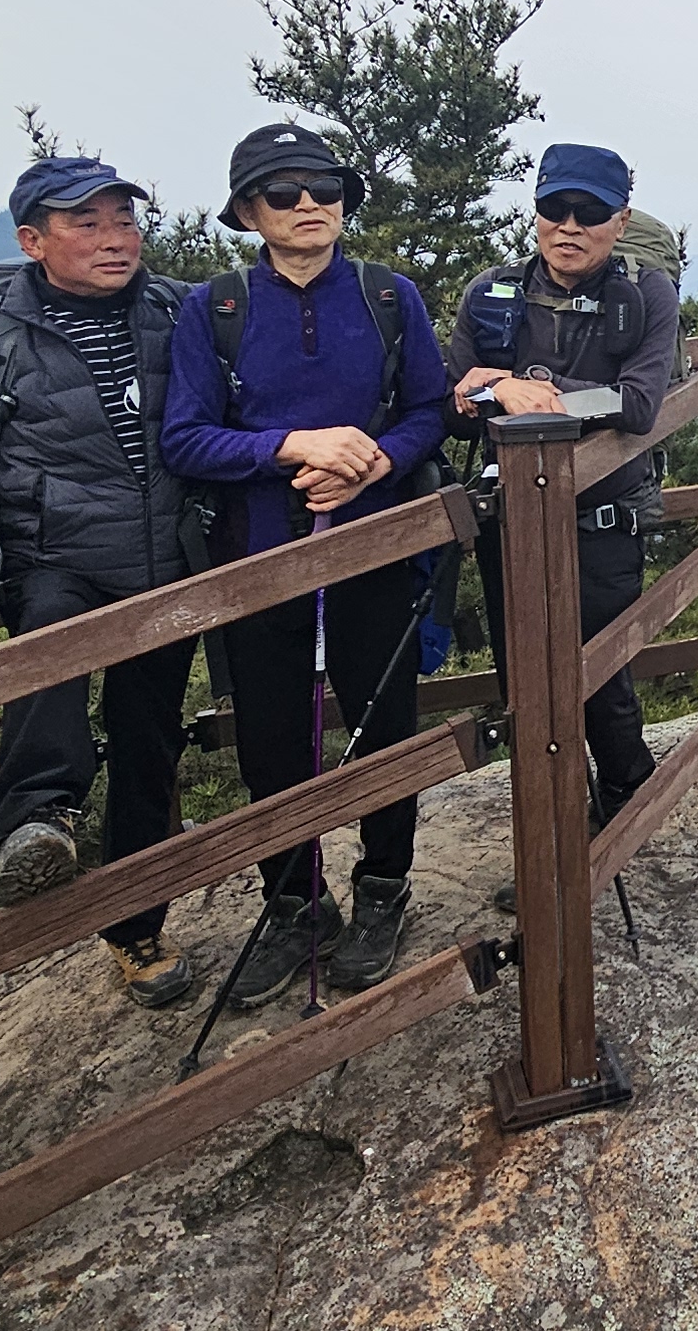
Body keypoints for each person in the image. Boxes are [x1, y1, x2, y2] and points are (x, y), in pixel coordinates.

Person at [0, 156, 201, 1009]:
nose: (115, 239)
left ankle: (137, 928)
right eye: (87, 224)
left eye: (124, 220)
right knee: (49, 667)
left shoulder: (176, 309)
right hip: (51, 555)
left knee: (150, 750)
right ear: (33, 241)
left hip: (168, 561)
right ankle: (34, 820)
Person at [162, 122, 454, 1006]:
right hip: (259, 558)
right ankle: (295, 905)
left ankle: (383, 890)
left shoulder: (389, 296)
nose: (309, 206)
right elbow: (185, 437)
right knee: (271, 742)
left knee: (384, 723)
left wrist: (373, 460)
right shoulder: (214, 309)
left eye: (325, 189)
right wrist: (294, 446)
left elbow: (431, 410)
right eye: (283, 193)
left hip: (376, 548)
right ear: (248, 212)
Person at [455, 142, 683, 848]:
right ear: (536, 213)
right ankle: (550, 836)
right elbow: (451, 400)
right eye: (556, 208)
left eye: (591, 212)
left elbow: (639, 405)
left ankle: (624, 801)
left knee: (597, 677)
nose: (570, 226)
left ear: (621, 221)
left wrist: (524, 390)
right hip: (508, 520)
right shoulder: (493, 294)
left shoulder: (645, 293)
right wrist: (496, 388)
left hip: (603, 517)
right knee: (522, 685)